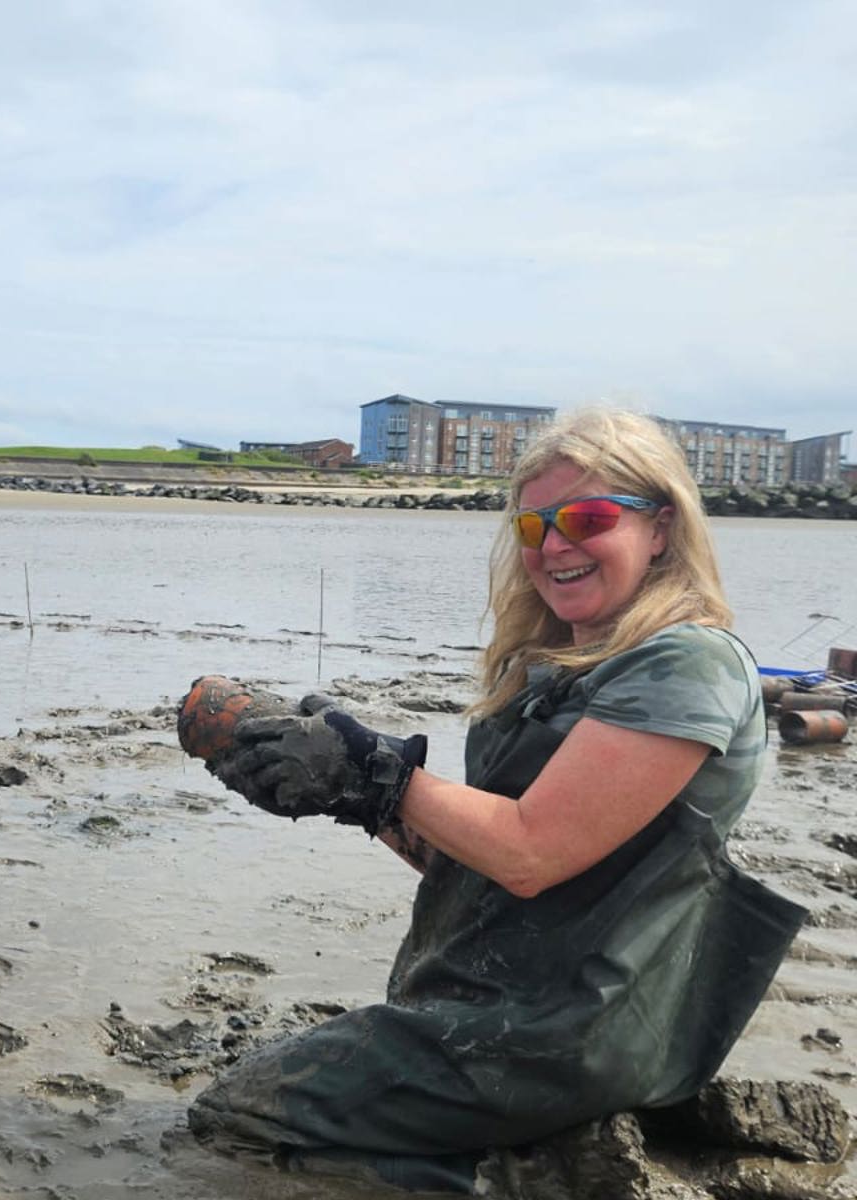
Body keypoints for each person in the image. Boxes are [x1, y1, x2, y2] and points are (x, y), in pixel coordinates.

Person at [179, 408, 806, 1193]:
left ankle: (518, 1173)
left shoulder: (686, 665)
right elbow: (476, 866)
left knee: (243, 1118)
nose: (554, 545)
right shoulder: (566, 667)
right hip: (506, 1003)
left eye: (588, 517)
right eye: (533, 525)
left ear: (661, 527)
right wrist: (351, 793)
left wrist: (383, 773)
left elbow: (529, 853)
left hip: (567, 1029)